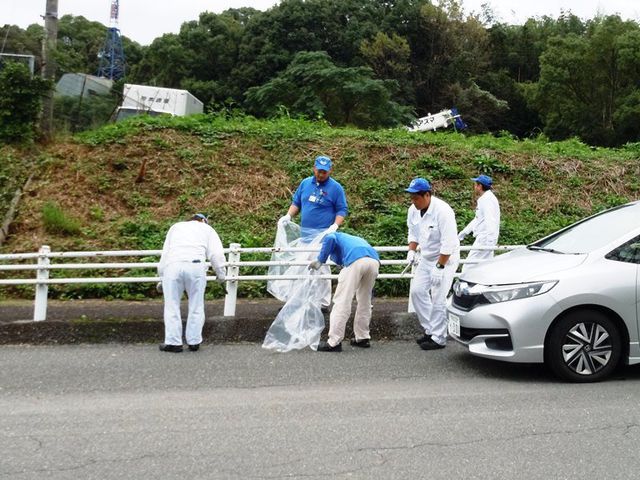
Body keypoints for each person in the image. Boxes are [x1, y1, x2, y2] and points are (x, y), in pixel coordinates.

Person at [278, 155, 348, 308]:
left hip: (323, 237)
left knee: (321, 270)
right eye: (319, 171)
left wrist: (335, 225)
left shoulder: (335, 188)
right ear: (314, 168)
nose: (321, 174)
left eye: (324, 172)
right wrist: (288, 216)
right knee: (300, 267)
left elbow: (342, 209)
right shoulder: (305, 184)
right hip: (305, 235)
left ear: (330, 171)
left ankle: (322, 304)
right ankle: (296, 300)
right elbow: (297, 202)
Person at [157, 213, 226, 353]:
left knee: (172, 305)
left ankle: (173, 343)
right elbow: (216, 255)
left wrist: (161, 277)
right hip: (196, 267)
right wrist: (221, 276)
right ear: (203, 220)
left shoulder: (175, 227)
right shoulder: (207, 229)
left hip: (173, 266)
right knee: (196, 304)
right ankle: (194, 341)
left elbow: (165, 254)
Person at [405, 178, 460, 351]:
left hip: (446, 259)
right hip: (427, 257)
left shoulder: (443, 211)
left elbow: (449, 242)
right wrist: (411, 251)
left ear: (427, 195)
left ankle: (439, 338)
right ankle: (430, 329)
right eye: (411, 198)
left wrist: (440, 267)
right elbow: (413, 232)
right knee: (417, 292)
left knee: (438, 297)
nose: (413, 202)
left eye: (416, 198)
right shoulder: (413, 210)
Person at [308, 232, 380, 352]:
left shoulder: (333, 235)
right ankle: (363, 338)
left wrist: (321, 260)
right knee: (365, 301)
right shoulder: (354, 237)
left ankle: (334, 342)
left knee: (342, 300)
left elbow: (330, 238)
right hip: (374, 261)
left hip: (356, 261)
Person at [458, 174, 501, 272]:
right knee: (486, 267)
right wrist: (463, 233)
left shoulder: (486, 199)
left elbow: (490, 220)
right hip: (487, 238)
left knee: (468, 267)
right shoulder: (487, 198)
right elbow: (478, 219)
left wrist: (489, 242)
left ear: (480, 186)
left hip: (485, 238)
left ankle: (464, 286)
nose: (474, 187)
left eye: (475, 184)